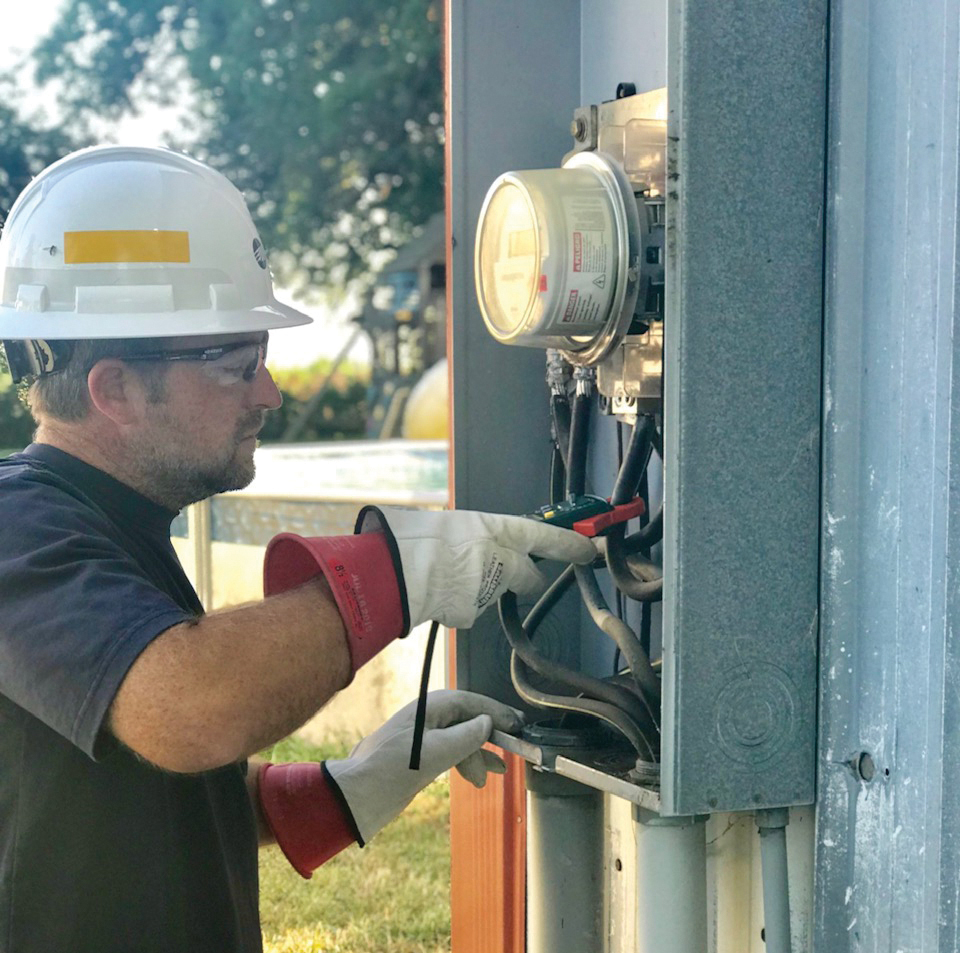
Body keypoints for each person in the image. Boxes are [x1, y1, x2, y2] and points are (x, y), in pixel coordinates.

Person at [0, 145, 598, 952]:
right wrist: (397, 572)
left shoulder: (105, 529)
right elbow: (188, 706)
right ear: (114, 391)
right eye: (238, 365)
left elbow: (127, 805)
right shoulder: (17, 525)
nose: (269, 393)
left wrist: (345, 788)